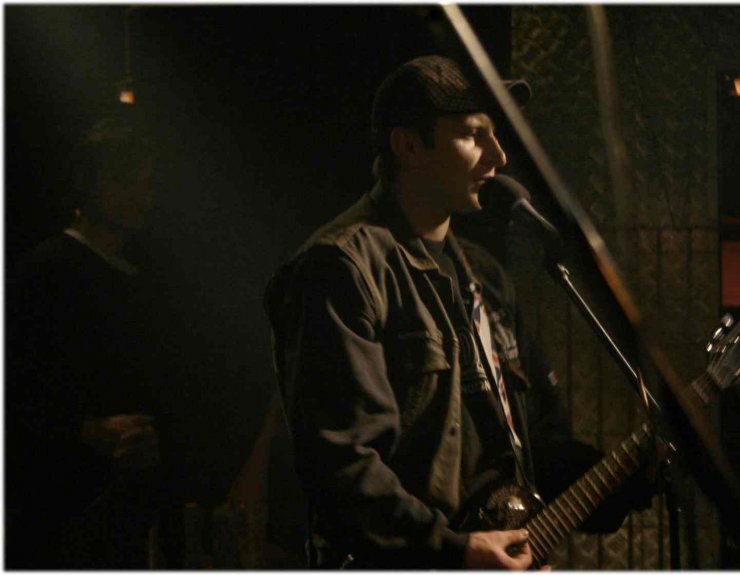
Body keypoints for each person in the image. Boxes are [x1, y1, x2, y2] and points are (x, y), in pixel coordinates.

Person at [264, 55, 655, 570]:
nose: (498, 157)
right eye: (473, 135)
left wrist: (629, 473)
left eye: (496, 135)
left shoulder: (485, 277)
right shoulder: (341, 268)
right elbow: (342, 465)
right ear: (409, 146)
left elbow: (533, 445)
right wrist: (456, 550)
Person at [6, 116, 172, 568]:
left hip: (127, 507)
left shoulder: (142, 278)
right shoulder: (47, 272)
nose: (141, 195)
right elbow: (16, 391)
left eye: (146, 182)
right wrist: (86, 430)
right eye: (123, 179)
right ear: (87, 183)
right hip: (59, 510)